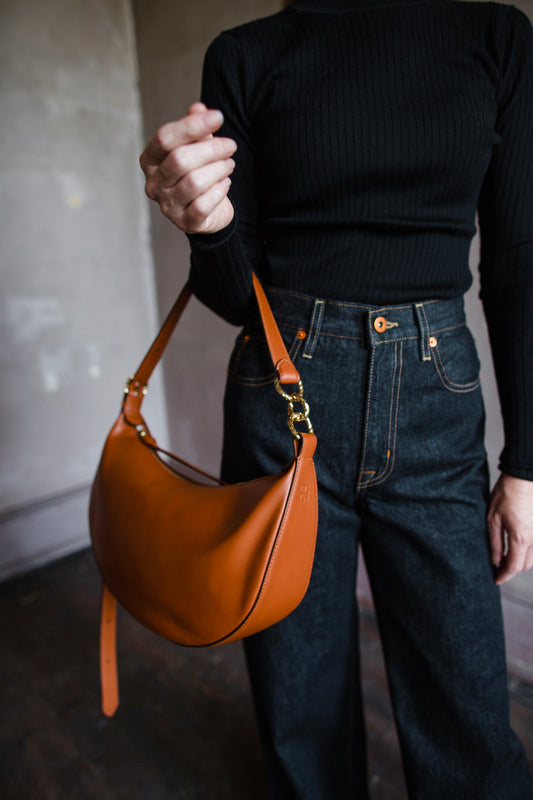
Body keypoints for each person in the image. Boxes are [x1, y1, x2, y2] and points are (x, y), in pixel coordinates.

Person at [140, 0, 533, 797]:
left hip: (436, 398)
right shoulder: (246, 54)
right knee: (296, 691)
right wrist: (205, 227)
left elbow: (521, 257)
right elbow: (231, 293)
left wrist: (526, 460)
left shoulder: (495, 37)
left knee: (468, 709)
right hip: (281, 390)